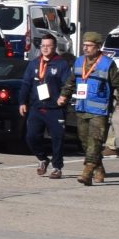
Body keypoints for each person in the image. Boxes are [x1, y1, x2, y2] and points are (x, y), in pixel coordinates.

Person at [22, 33, 75, 178]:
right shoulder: (34, 63)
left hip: (55, 109)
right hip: (37, 107)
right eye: (43, 46)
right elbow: (26, 84)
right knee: (31, 137)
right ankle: (42, 159)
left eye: (49, 46)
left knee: (57, 138)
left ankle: (57, 167)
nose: (45, 49)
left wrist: (64, 97)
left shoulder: (61, 64)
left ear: (55, 47)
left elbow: (67, 84)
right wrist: (22, 102)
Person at [71, 33, 118, 185]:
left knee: (95, 142)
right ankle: (99, 170)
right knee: (85, 143)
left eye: (89, 45)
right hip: (82, 108)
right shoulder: (79, 62)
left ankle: (87, 172)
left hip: (100, 110)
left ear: (97, 47)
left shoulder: (107, 64)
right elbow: (71, 81)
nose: (85, 48)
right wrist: (64, 95)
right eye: (84, 45)